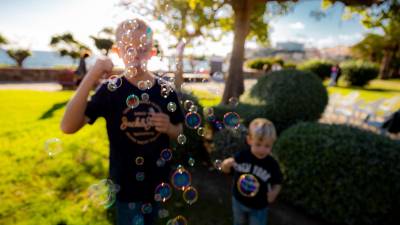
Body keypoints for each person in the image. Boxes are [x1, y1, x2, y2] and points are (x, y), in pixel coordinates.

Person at [60, 18, 184, 225]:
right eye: (128, 49)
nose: (135, 55)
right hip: (125, 184)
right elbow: (67, 126)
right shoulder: (111, 90)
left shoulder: (166, 90)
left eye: (143, 49)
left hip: (157, 181)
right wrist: (91, 75)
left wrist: (170, 127)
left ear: (152, 53)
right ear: (118, 52)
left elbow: (179, 131)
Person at [221, 118, 283, 225]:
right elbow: (226, 170)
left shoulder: (272, 164)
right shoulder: (242, 156)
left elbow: (278, 182)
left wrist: (274, 193)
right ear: (249, 140)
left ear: (272, 144)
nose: (262, 150)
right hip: (238, 200)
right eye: (258, 144)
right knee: (238, 222)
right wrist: (226, 164)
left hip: (259, 206)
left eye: (267, 146)